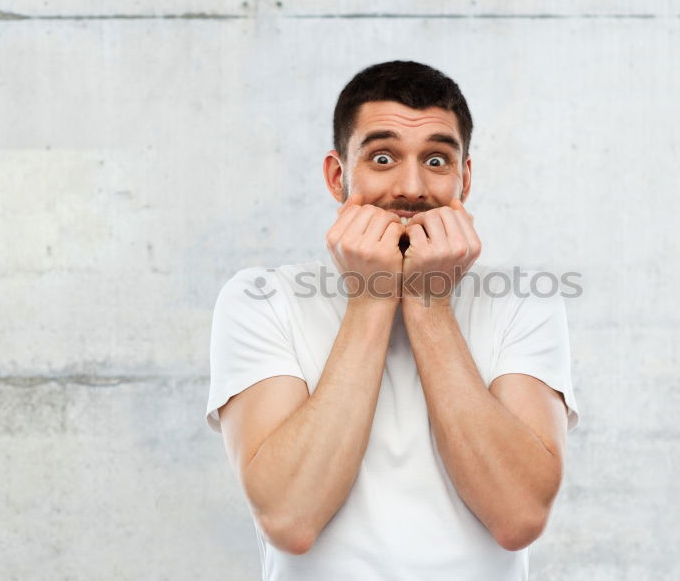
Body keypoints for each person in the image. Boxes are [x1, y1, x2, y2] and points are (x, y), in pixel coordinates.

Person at [206, 60, 579, 580]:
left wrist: (427, 302)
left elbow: (518, 517)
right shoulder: (261, 298)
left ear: (464, 180)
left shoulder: (523, 300)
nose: (411, 186)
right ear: (339, 176)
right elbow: (290, 518)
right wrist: (373, 297)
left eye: (437, 160)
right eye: (382, 157)